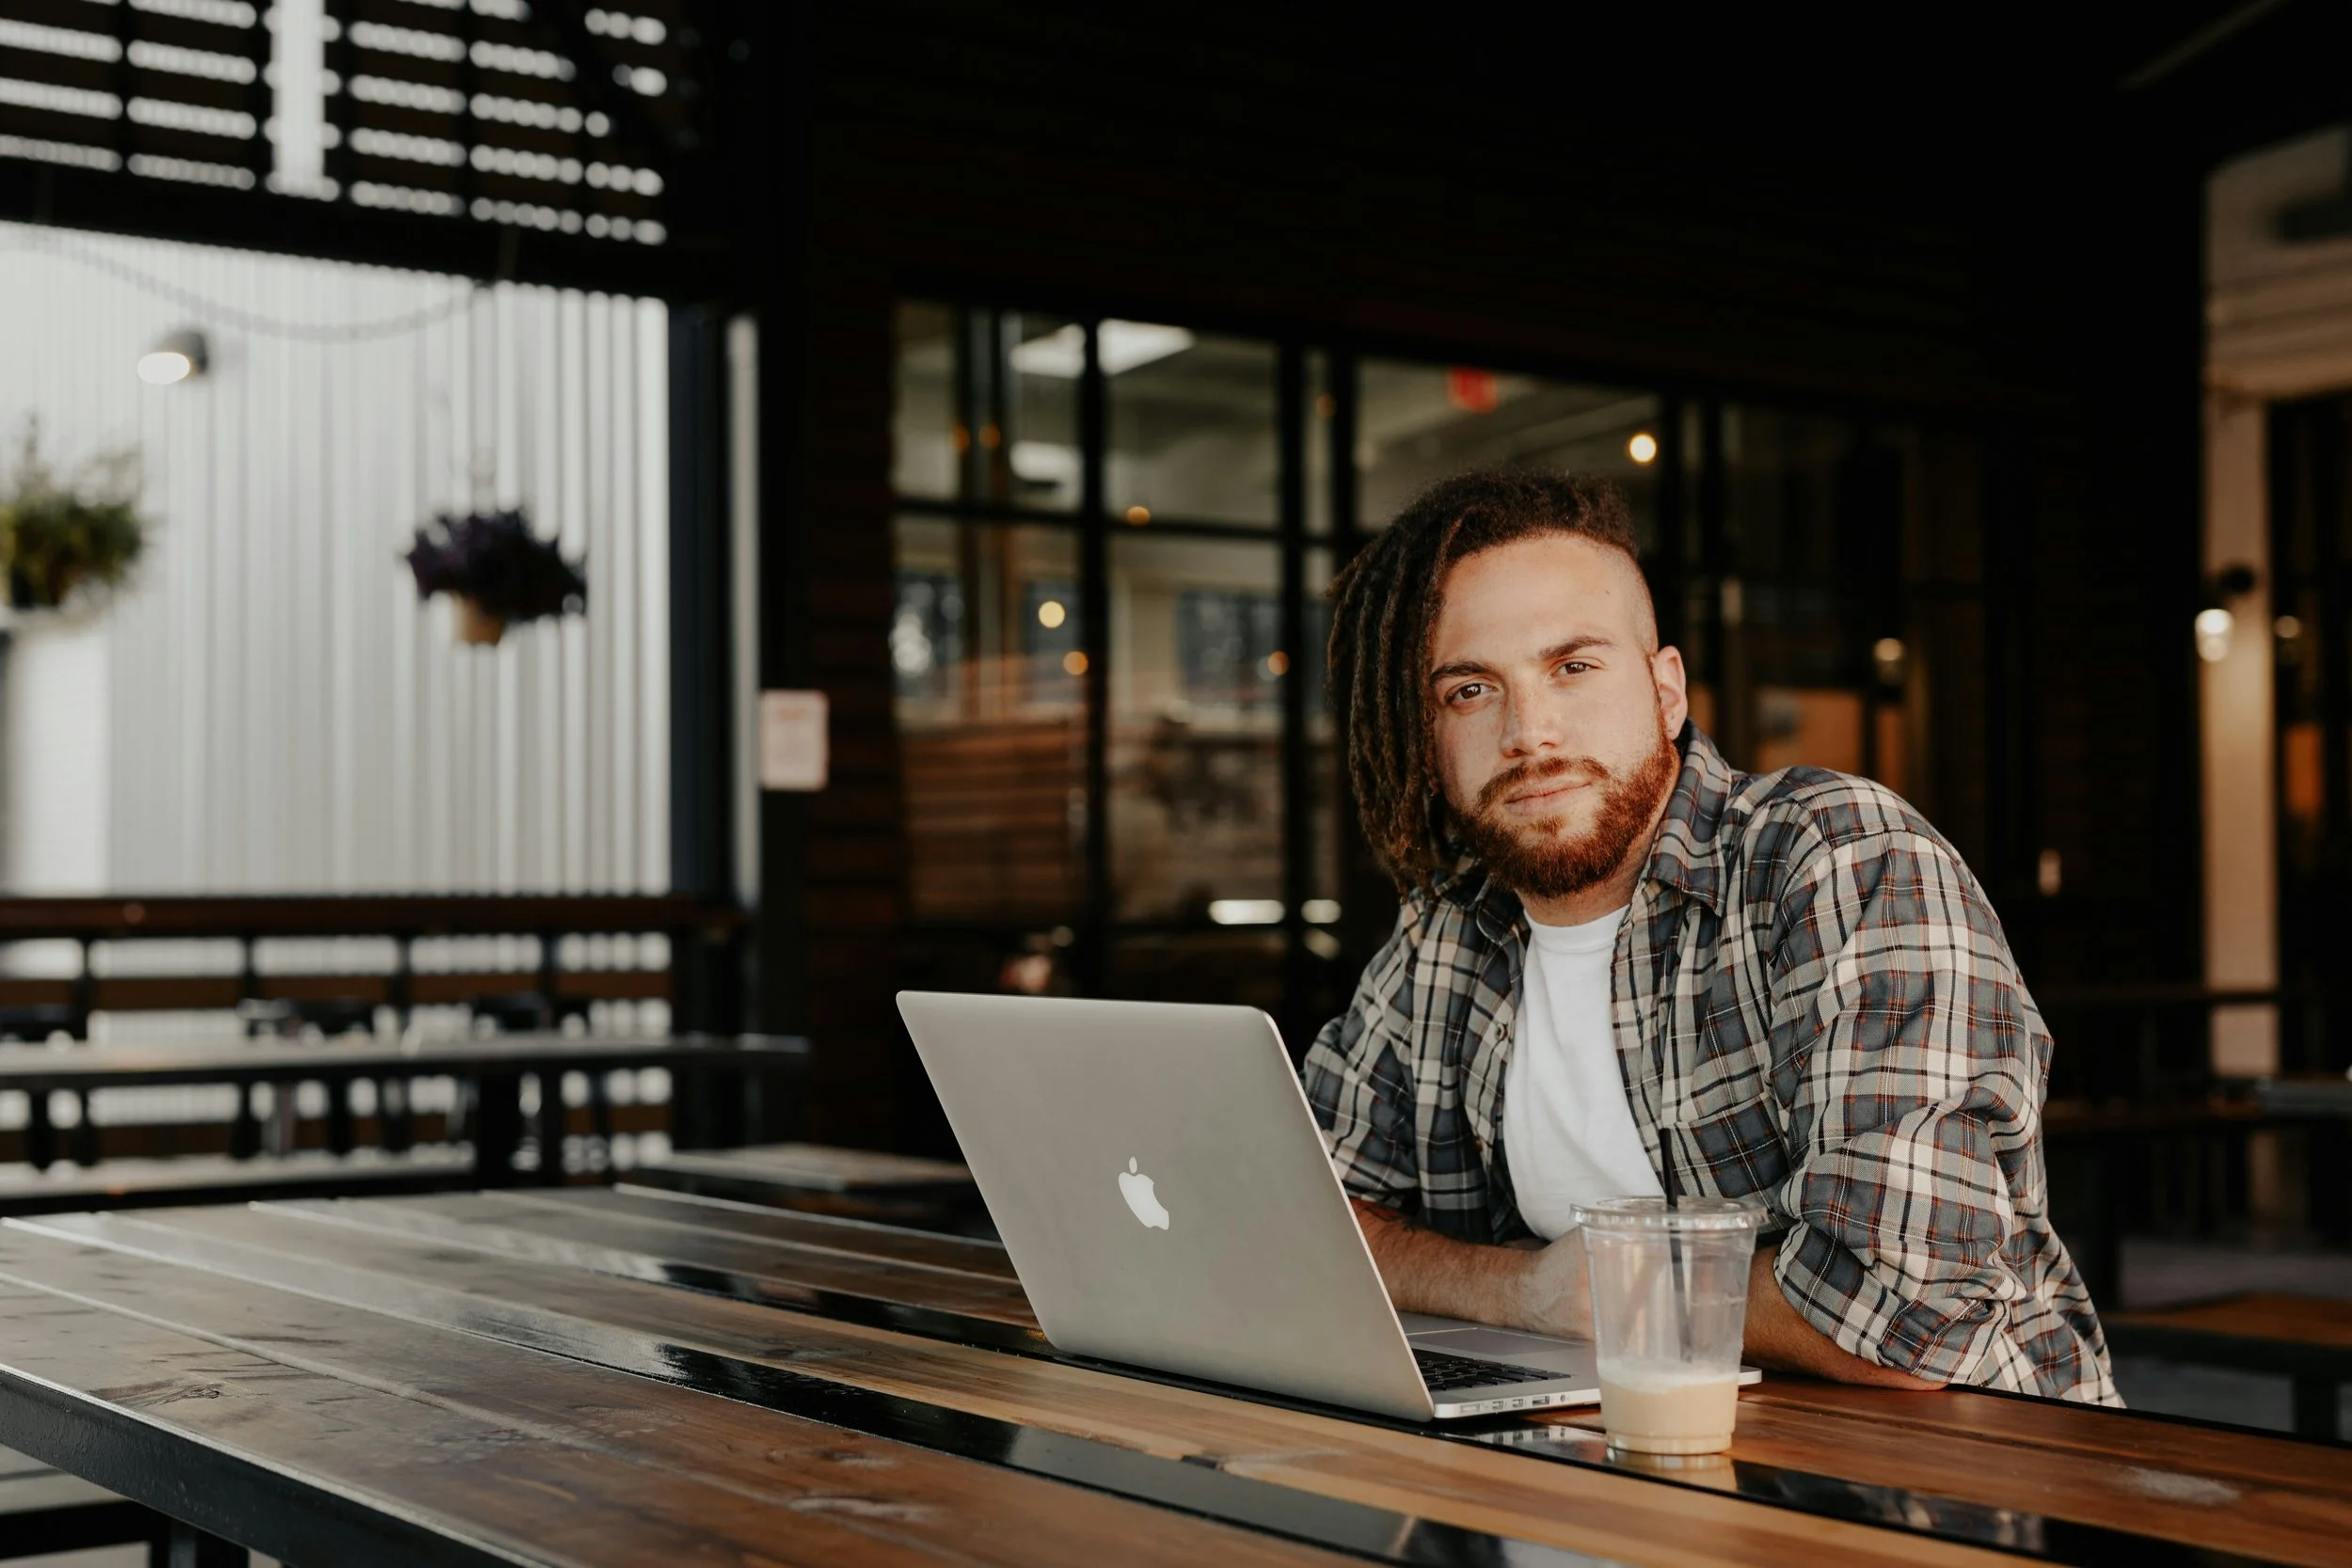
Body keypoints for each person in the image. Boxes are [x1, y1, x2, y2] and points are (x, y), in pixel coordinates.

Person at [1302, 469, 2116, 1402]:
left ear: (1666, 690)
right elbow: (1304, 1212)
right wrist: (1523, 1290)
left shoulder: (1836, 858)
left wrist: (1617, 1288)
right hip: (1612, 1462)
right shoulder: (1448, 932)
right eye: (1469, 689)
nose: (1529, 730)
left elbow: (1905, 1314)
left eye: (1572, 666)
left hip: (1958, 1481)